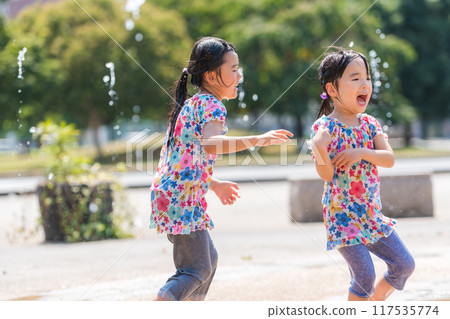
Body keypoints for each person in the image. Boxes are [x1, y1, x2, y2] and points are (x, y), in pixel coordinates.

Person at [150, 37, 293, 301]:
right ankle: (164, 302)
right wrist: (259, 139)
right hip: (182, 198)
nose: (239, 75)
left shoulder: (191, 104)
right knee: (195, 269)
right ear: (211, 77)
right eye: (234, 69)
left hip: (174, 193)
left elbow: (187, 157)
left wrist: (213, 184)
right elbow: (212, 144)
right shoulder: (211, 105)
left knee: (209, 261)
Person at [310, 49, 415, 301]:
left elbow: (388, 159)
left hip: (370, 214)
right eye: (355, 78)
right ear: (332, 90)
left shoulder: (370, 123)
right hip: (342, 217)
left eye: (366, 77)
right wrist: (319, 147)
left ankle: (375, 304)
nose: (365, 84)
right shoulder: (326, 127)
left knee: (404, 265)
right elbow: (326, 175)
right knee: (364, 276)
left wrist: (362, 152)